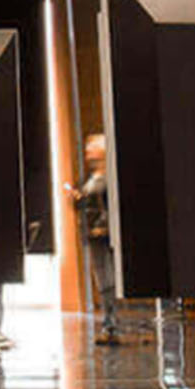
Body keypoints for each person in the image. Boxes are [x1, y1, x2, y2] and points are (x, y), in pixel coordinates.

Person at [69, 134, 122, 346]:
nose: (88, 152)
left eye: (93, 148)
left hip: (107, 234)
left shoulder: (111, 177)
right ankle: (109, 323)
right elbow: (83, 205)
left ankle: (112, 324)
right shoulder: (87, 178)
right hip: (92, 235)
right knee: (102, 280)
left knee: (109, 279)